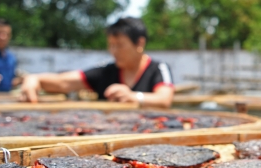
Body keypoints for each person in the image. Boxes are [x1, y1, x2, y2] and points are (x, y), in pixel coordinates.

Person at [20, 17, 175, 109]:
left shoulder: (158, 69)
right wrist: (35, 79)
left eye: (120, 45)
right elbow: (63, 83)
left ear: (140, 43)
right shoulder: (105, 71)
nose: (114, 51)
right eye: (111, 45)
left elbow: (164, 99)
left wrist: (133, 96)